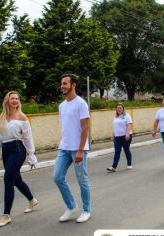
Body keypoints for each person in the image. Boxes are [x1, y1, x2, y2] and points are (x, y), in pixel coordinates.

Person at [0, 91, 38, 227]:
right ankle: (32, 200)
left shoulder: (22, 117)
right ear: (7, 101)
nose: (15, 100)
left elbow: (28, 137)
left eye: (17, 98)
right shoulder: (3, 117)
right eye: (12, 98)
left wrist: (31, 154)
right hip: (6, 151)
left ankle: (6, 215)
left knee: (8, 179)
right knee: (16, 180)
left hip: (18, 150)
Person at [53, 74, 91, 223]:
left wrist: (81, 150)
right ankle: (71, 206)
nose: (62, 86)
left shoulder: (81, 103)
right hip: (64, 148)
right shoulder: (61, 105)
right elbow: (66, 127)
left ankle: (87, 210)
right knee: (57, 177)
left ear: (73, 85)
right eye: (61, 83)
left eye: (65, 83)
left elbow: (85, 128)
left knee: (82, 180)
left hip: (78, 148)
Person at [106, 103, 133, 172]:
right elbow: (115, 127)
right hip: (117, 137)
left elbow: (129, 125)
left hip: (125, 136)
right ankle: (113, 167)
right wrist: (113, 135)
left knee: (126, 150)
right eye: (118, 108)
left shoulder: (127, 116)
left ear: (123, 109)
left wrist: (127, 134)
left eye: (120, 108)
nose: (119, 109)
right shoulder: (116, 117)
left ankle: (129, 164)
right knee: (117, 151)